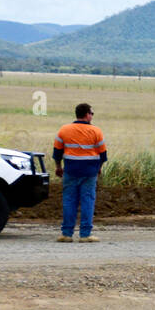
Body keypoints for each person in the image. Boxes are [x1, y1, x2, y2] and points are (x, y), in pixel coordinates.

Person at [53, 102, 107, 242]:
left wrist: (58, 167)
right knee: (87, 201)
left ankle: (66, 234)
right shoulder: (96, 131)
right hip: (89, 173)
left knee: (69, 201)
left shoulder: (64, 130)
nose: (92, 116)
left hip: (70, 171)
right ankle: (85, 235)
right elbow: (103, 155)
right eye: (92, 113)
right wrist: (98, 168)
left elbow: (57, 152)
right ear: (87, 114)